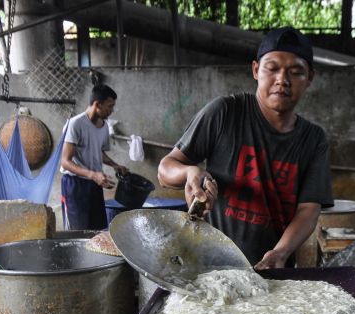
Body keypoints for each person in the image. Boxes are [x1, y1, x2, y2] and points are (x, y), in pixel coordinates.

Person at [158, 27, 334, 270]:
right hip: (210, 268)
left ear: (310, 78)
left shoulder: (313, 139)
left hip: (273, 272)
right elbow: (166, 169)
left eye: (295, 72)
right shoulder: (225, 112)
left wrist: (280, 253)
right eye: (272, 69)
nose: (282, 80)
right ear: (255, 70)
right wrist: (189, 173)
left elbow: (309, 209)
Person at [60, 84, 128, 230]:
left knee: (97, 230)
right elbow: (65, 162)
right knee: (77, 231)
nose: (112, 110)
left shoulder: (104, 127)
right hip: (74, 185)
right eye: (109, 106)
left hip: (94, 185)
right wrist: (93, 174)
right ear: (97, 104)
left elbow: (99, 152)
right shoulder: (75, 124)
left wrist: (115, 165)